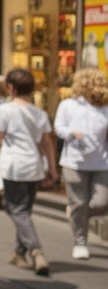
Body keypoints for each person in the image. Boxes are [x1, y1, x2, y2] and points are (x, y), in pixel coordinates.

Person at [0, 68, 56, 275]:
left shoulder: (4, 110)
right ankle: (19, 253)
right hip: (33, 167)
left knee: (16, 210)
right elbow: (47, 143)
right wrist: (53, 170)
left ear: (10, 87)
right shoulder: (40, 113)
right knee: (24, 212)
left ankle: (36, 251)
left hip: (13, 167)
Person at [53, 68, 108, 260]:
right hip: (73, 162)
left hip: (101, 163)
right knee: (79, 202)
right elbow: (59, 128)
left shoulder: (105, 108)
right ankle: (80, 242)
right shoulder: (69, 105)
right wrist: (71, 133)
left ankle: (77, 213)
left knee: (101, 202)